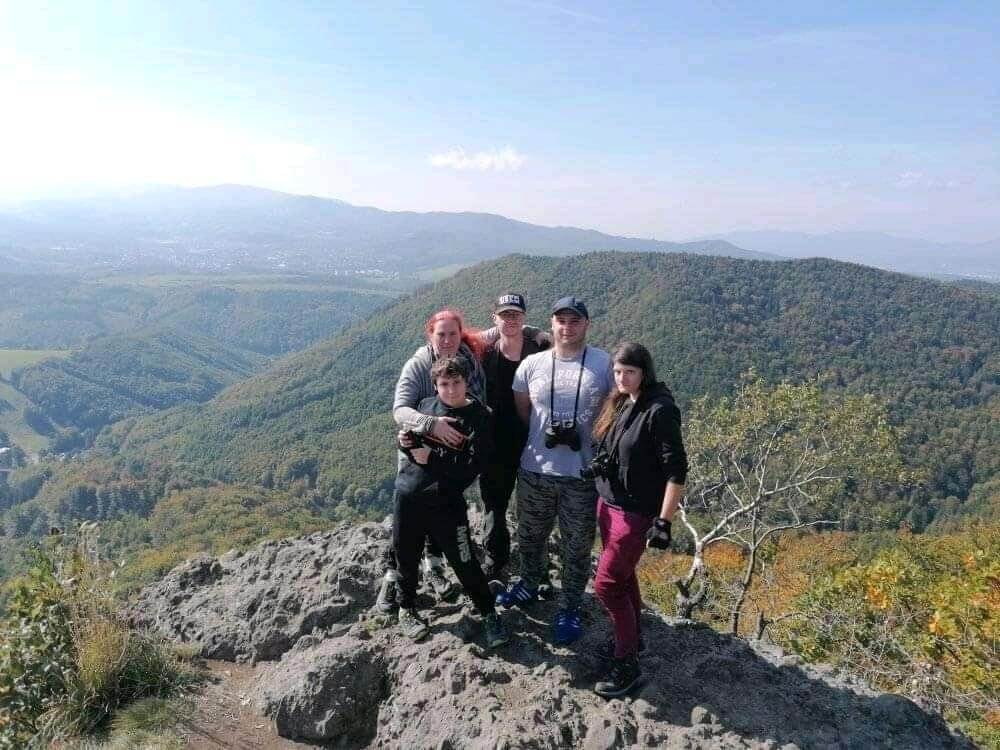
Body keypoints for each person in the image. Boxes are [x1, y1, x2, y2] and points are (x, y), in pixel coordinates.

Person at [496, 296, 613, 645]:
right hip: (535, 468)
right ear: (551, 324)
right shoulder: (531, 365)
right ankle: (530, 584)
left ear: (587, 325)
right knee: (531, 537)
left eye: (575, 321)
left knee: (577, 546)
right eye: (561, 320)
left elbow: (613, 410)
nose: (567, 327)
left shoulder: (603, 364)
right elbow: (523, 410)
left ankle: (571, 605)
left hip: (582, 474)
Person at [589, 342, 688, 698]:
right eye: (617, 372)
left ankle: (627, 663)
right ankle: (633, 638)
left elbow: (677, 471)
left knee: (606, 586)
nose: (621, 378)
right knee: (624, 576)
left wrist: (664, 521)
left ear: (644, 372)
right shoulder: (622, 402)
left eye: (629, 372)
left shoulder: (660, 410)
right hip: (609, 503)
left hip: (634, 513)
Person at [392, 355, 509, 647]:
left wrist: (430, 457)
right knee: (405, 556)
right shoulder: (426, 408)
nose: (452, 390)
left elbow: (471, 468)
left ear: (466, 382)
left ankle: (488, 612)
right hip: (408, 495)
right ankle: (406, 608)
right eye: (444, 384)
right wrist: (405, 443)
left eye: (457, 382)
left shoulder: (479, 417)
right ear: (435, 385)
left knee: (464, 561)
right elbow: (410, 445)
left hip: (446, 502)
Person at [376, 308, 487, 612]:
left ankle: (433, 567)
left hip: (452, 458)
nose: (448, 339)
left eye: (453, 333)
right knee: (408, 521)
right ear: (430, 335)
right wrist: (430, 424)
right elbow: (400, 410)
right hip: (417, 453)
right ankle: (393, 578)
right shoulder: (419, 364)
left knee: (441, 508)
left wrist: (537, 333)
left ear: (461, 334)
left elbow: (501, 331)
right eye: (441, 334)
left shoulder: (468, 359)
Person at [479, 293, 551, 588]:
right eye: (504, 315)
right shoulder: (484, 353)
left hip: (534, 440)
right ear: (494, 318)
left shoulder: (541, 349)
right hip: (495, 443)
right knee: (494, 504)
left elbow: (567, 343)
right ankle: (495, 560)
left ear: (524, 317)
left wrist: (535, 331)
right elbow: (452, 340)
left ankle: (537, 569)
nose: (511, 320)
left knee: (535, 507)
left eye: (516, 315)